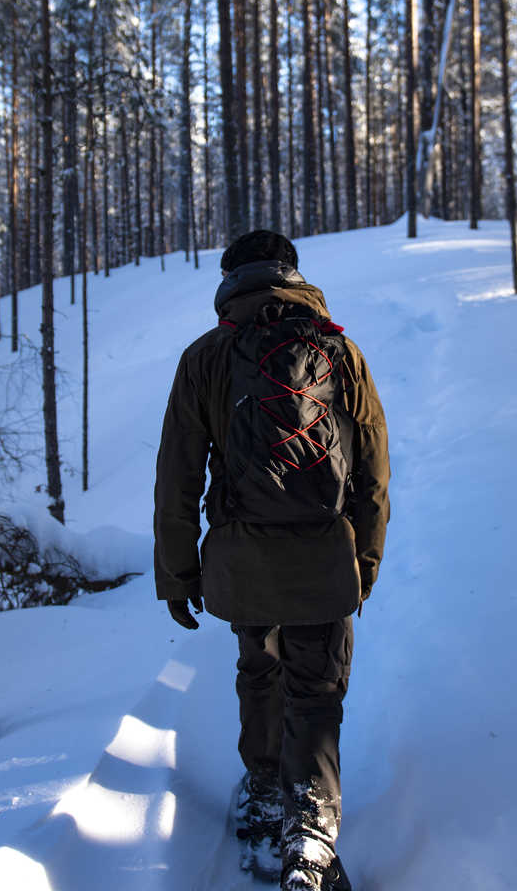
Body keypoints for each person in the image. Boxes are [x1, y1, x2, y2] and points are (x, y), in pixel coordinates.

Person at [153, 230, 390, 891]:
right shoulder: (340, 350)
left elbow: (178, 478)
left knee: (260, 664)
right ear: (292, 275)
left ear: (230, 280)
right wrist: (362, 562)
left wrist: (177, 575)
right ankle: (311, 833)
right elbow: (373, 474)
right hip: (323, 557)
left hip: (239, 559)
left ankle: (262, 788)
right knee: (317, 690)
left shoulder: (205, 357)